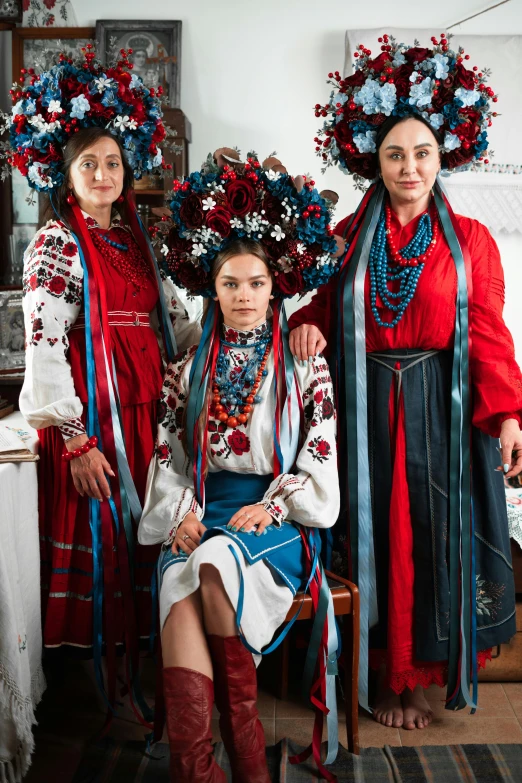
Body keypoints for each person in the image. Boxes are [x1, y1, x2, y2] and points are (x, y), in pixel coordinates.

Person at [289, 34, 522, 731]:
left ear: (442, 156)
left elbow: (486, 331)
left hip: (439, 412)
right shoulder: (344, 237)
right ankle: (371, 677)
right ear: (374, 160)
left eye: (421, 152)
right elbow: (318, 306)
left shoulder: (472, 241)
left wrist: (508, 414)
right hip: (363, 411)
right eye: (395, 153)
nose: (410, 165)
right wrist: (306, 325)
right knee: (368, 536)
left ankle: (417, 681)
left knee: (428, 539)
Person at [7, 45, 199, 715]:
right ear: (65, 174)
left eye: (113, 161)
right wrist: (75, 437)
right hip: (96, 412)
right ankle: (94, 696)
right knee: (103, 532)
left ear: (129, 167)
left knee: (149, 530)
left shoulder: (140, 242)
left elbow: (174, 324)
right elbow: (45, 344)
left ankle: (149, 669)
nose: (103, 172)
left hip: (148, 409)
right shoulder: (57, 243)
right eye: (88, 162)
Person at [138, 150, 341, 781]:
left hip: (274, 514)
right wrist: (180, 514)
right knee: (179, 583)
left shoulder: (305, 364)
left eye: (256, 283)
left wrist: (275, 504)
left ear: (276, 285)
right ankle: (199, 770)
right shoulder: (187, 369)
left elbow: (319, 452)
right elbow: (170, 456)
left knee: (218, 567)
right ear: (212, 288)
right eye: (230, 284)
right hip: (206, 505)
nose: (245, 296)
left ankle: (249, 763)